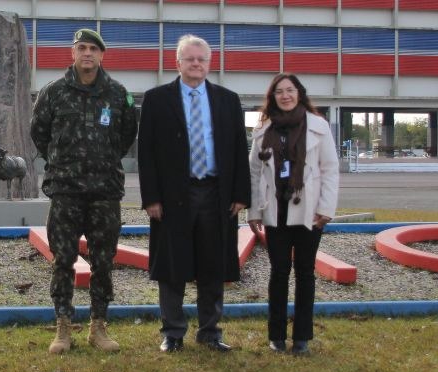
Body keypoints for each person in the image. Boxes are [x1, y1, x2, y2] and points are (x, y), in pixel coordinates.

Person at [138, 34, 251, 353]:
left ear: (209, 63)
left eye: (202, 59)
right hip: (174, 195)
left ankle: (210, 331)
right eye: (190, 58)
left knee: (213, 265)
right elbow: (146, 153)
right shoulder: (157, 99)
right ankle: (172, 332)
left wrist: (241, 193)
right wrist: (151, 198)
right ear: (178, 63)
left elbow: (238, 151)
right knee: (172, 266)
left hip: (216, 194)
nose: (196, 64)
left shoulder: (228, 100)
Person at [30, 28, 137, 354]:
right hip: (66, 191)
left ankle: (98, 326)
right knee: (63, 260)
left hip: (104, 191)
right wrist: (63, 162)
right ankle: (63, 327)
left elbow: (126, 135)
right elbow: (39, 133)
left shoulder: (119, 94)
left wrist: (100, 161)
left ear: (102, 55)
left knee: (103, 262)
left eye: (93, 48)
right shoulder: (53, 92)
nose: (87, 53)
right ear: (73, 53)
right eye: (82, 48)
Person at [247, 73, 339, 355]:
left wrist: (326, 209)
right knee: (278, 272)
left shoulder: (318, 126)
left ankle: (302, 338)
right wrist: (253, 210)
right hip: (275, 210)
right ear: (272, 97)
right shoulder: (262, 129)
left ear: (299, 93)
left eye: (290, 90)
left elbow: (329, 170)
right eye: (279, 92)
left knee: (305, 273)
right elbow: (253, 172)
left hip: (309, 212)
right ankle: (276, 336)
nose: (285, 96)